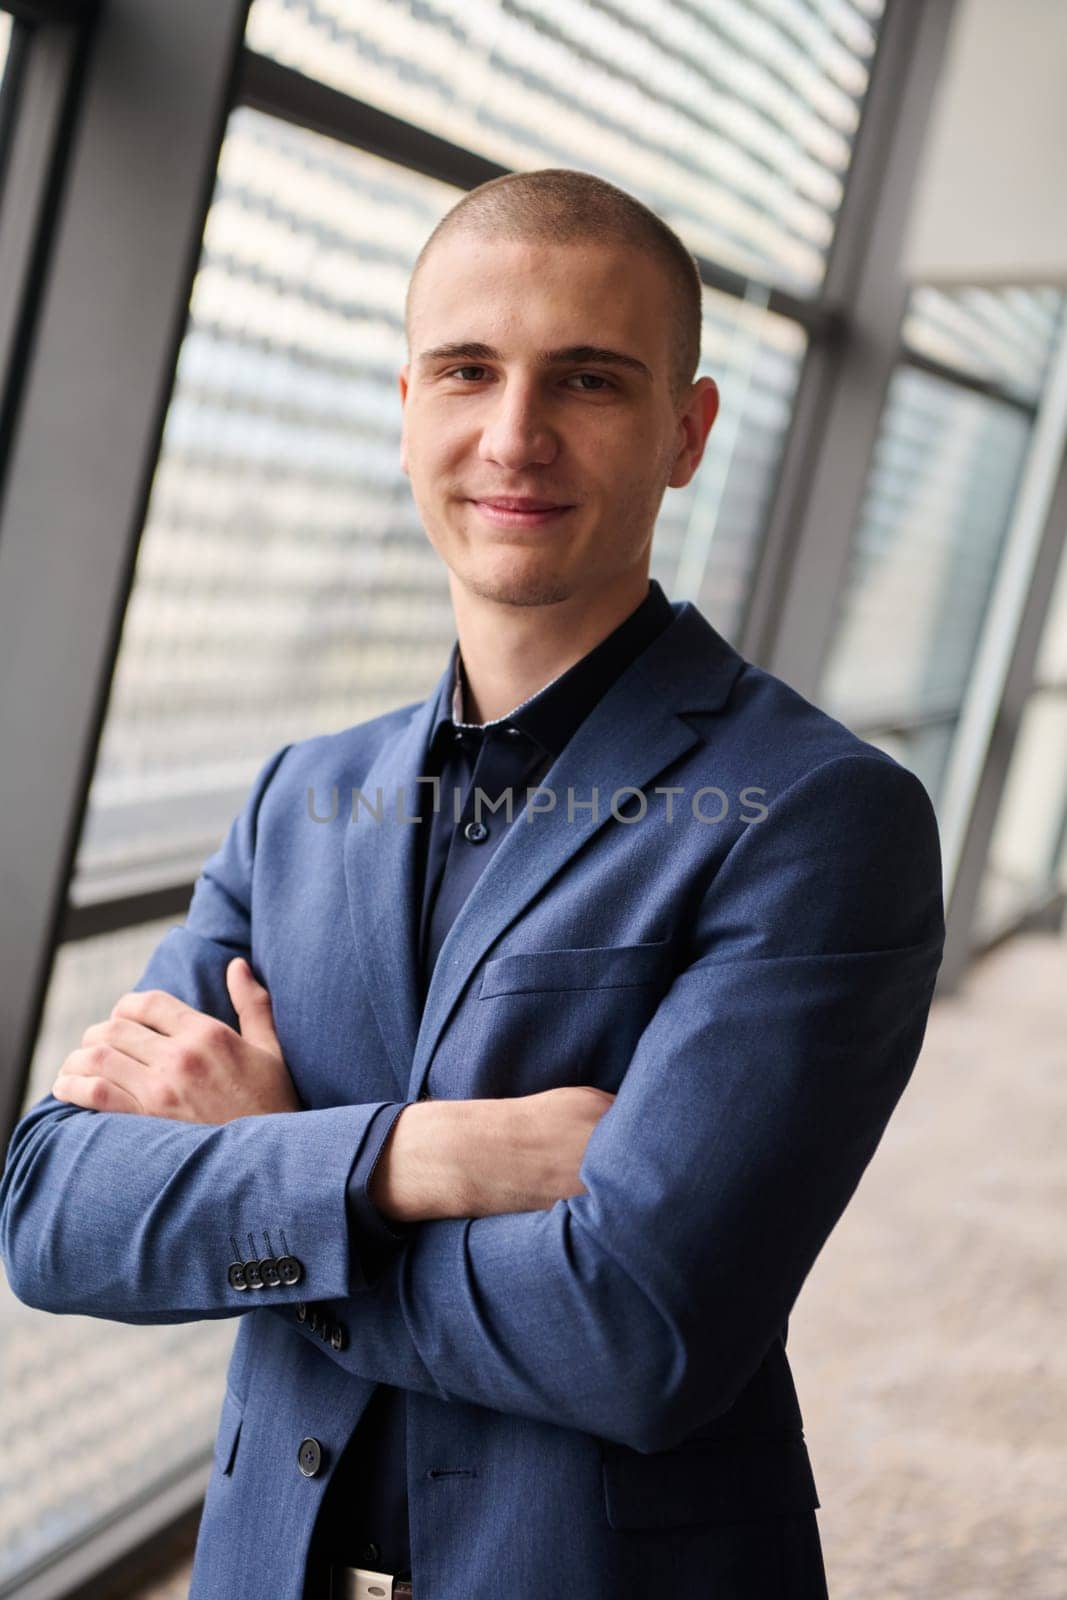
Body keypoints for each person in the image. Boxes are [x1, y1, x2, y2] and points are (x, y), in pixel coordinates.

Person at [0, 168, 946, 1600]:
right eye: (466, 372)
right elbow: (53, 1215)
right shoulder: (299, 797)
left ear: (685, 434)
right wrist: (413, 1159)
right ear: (406, 411)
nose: (515, 436)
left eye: (588, 381)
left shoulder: (820, 818)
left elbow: (636, 1329)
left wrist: (267, 1176)